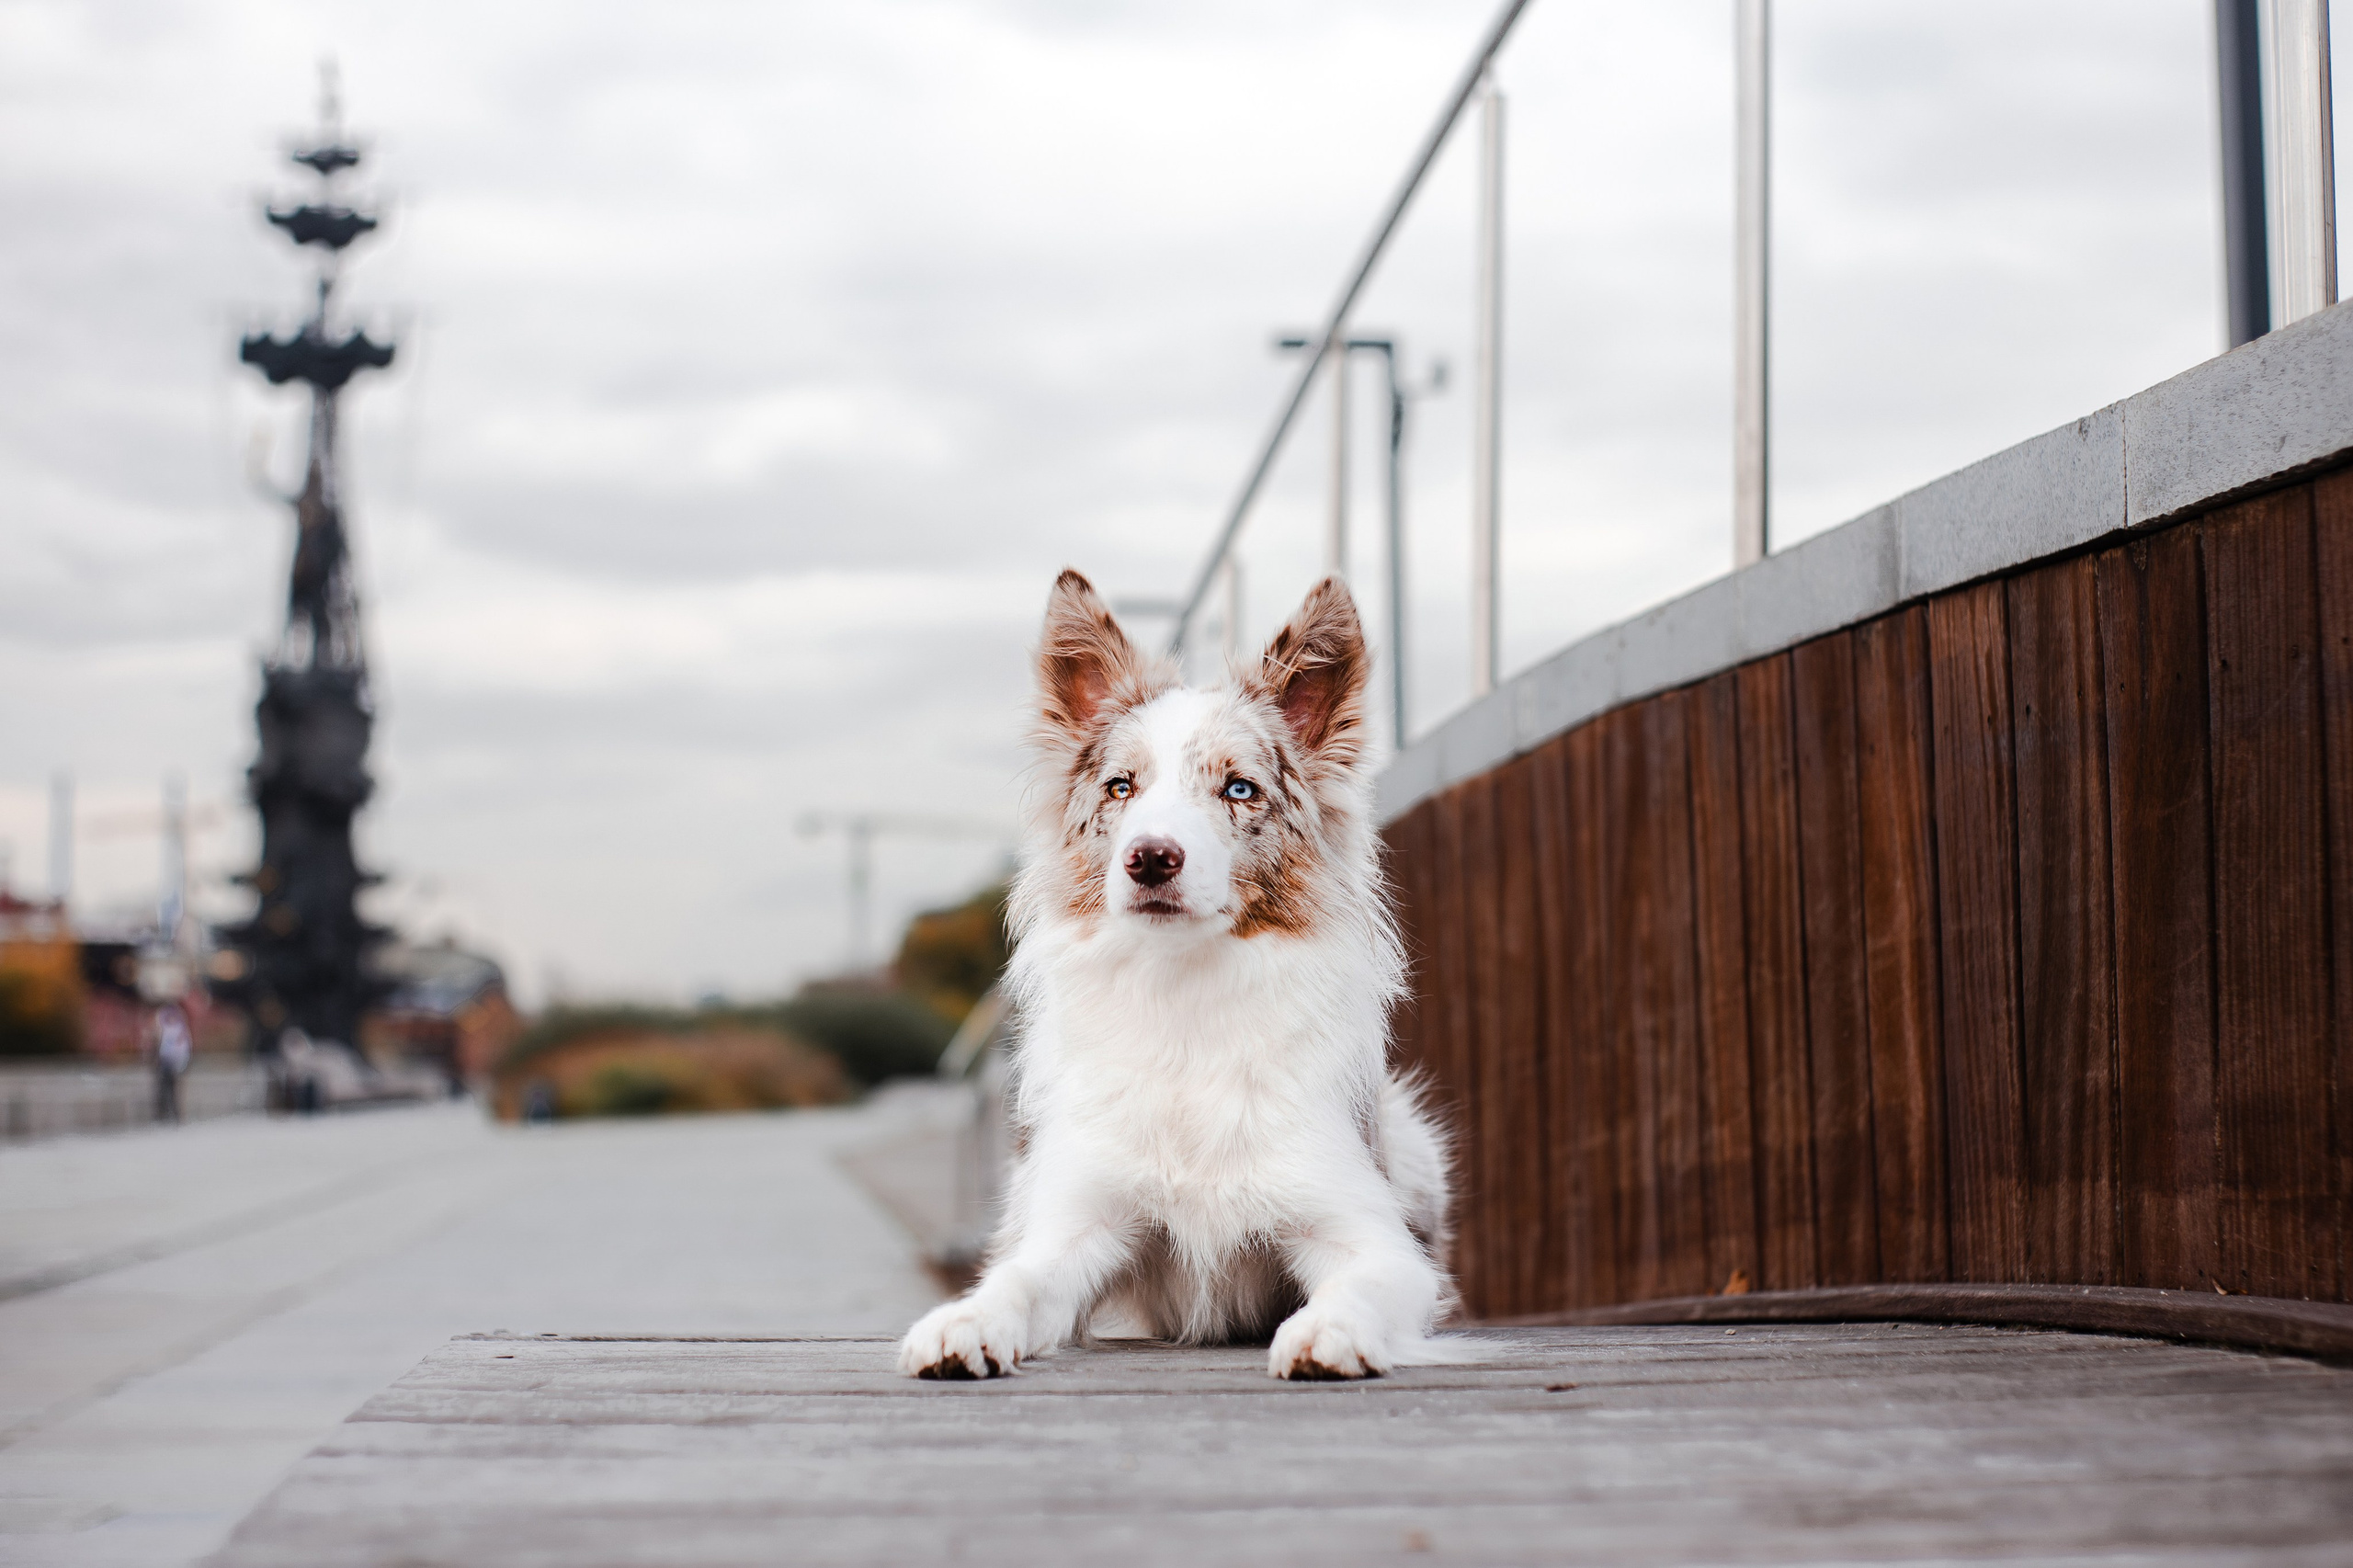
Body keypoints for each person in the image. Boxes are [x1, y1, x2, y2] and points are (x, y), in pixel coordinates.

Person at [153, 1004, 192, 1124]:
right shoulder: (165, 1028)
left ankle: (175, 1115)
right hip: (164, 1064)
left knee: (174, 1091)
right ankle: (163, 1115)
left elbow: (184, 1048)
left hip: (175, 1063)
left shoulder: (180, 1030)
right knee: (163, 1090)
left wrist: (182, 1063)